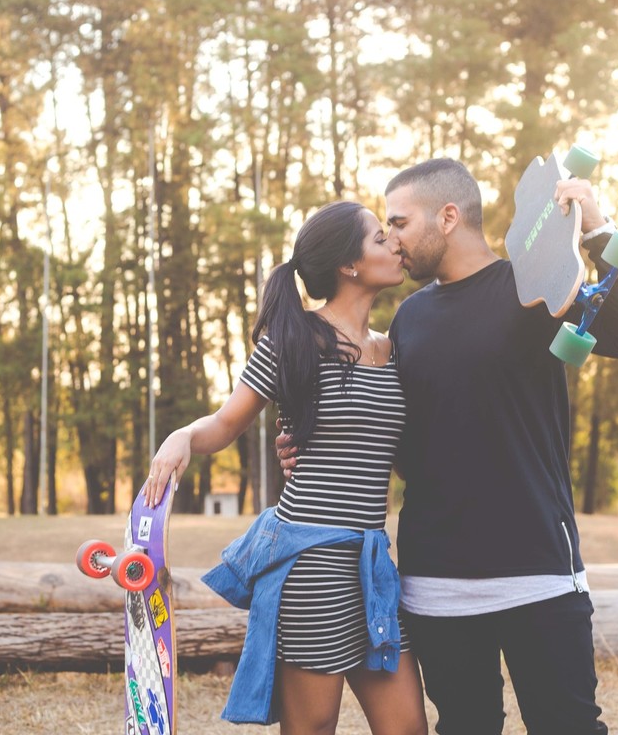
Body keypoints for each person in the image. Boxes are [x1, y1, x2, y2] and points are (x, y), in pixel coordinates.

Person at [282, 158, 618, 734]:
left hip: (538, 574)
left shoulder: (535, 285)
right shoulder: (409, 319)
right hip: (437, 585)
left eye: (400, 224)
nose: (393, 240)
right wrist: (318, 446)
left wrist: (597, 226)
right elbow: (406, 444)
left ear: (448, 217)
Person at [144, 200, 428, 735]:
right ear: (349, 265)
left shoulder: (392, 350)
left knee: (407, 726)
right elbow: (227, 423)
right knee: (313, 727)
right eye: (378, 237)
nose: (394, 242)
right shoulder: (294, 340)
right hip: (312, 563)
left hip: (372, 562)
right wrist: (182, 435)